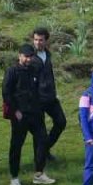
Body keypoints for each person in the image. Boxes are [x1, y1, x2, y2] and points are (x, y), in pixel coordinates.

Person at [3, 44, 55, 185]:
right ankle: (14, 177)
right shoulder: (12, 71)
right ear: (19, 55)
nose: (28, 60)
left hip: (36, 112)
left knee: (43, 140)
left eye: (31, 57)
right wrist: (15, 111)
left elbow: (39, 88)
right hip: (20, 114)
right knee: (17, 145)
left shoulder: (35, 69)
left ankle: (39, 173)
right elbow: (6, 93)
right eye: (26, 57)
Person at [31, 28, 68, 161]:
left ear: (46, 41)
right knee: (39, 130)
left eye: (41, 40)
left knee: (61, 122)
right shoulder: (29, 56)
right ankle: (39, 158)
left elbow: (50, 75)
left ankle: (44, 149)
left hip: (50, 97)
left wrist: (54, 92)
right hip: (36, 99)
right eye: (35, 39)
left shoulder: (48, 54)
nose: (38, 42)